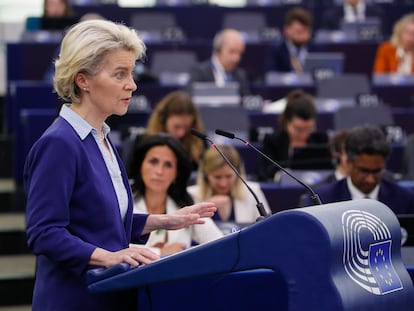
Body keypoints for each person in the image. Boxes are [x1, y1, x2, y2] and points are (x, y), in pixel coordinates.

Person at [23, 20, 217, 311]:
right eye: (120, 74)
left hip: (111, 295)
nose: (133, 84)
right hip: (76, 300)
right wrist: (109, 256)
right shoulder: (60, 144)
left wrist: (163, 220)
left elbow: (100, 221)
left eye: (132, 73)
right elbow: (44, 233)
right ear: (83, 80)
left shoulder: (101, 136)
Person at [129, 134, 223, 255]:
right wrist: (160, 252)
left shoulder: (187, 202)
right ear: (140, 166)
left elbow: (219, 244)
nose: (159, 171)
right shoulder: (122, 201)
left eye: (168, 165)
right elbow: (113, 247)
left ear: (176, 173)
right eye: (153, 162)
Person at [303, 125, 414, 215]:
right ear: (348, 163)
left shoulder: (405, 199)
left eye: (376, 171)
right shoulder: (321, 201)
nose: (370, 180)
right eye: (364, 171)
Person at [188, 144, 271, 233]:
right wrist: (205, 207)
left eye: (228, 176)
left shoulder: (253, 192)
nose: (223, 184)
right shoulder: (191, 195)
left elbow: (267, 230)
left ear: (238, 173)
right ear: (205, 175)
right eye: (217, 177)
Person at [258, 89, 328, 181]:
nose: (303, 135)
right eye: (298, 129)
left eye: (308, 129)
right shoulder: (273, 141)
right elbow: (265, 174)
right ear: (287, 122)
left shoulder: (321, 140)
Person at [127, 90, 205, 169]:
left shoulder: (201, 143)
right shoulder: (143, 144)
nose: (181, 133)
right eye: (176, 127)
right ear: (163, 120)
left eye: (186, 127)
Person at [187, 28, 251, 96]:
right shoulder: (199, 72)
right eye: (232, 52)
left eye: (240, 53)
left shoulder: (240, 75)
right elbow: (188, 99)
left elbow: (246, 102)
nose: (237, 58)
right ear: (218, 50)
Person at [266, 7, 314, 73]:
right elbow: (271, 76)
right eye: (299, 32)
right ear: (286, 30)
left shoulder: (316, 50)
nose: (302, 36)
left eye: (306, 31)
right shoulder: (276, 51)